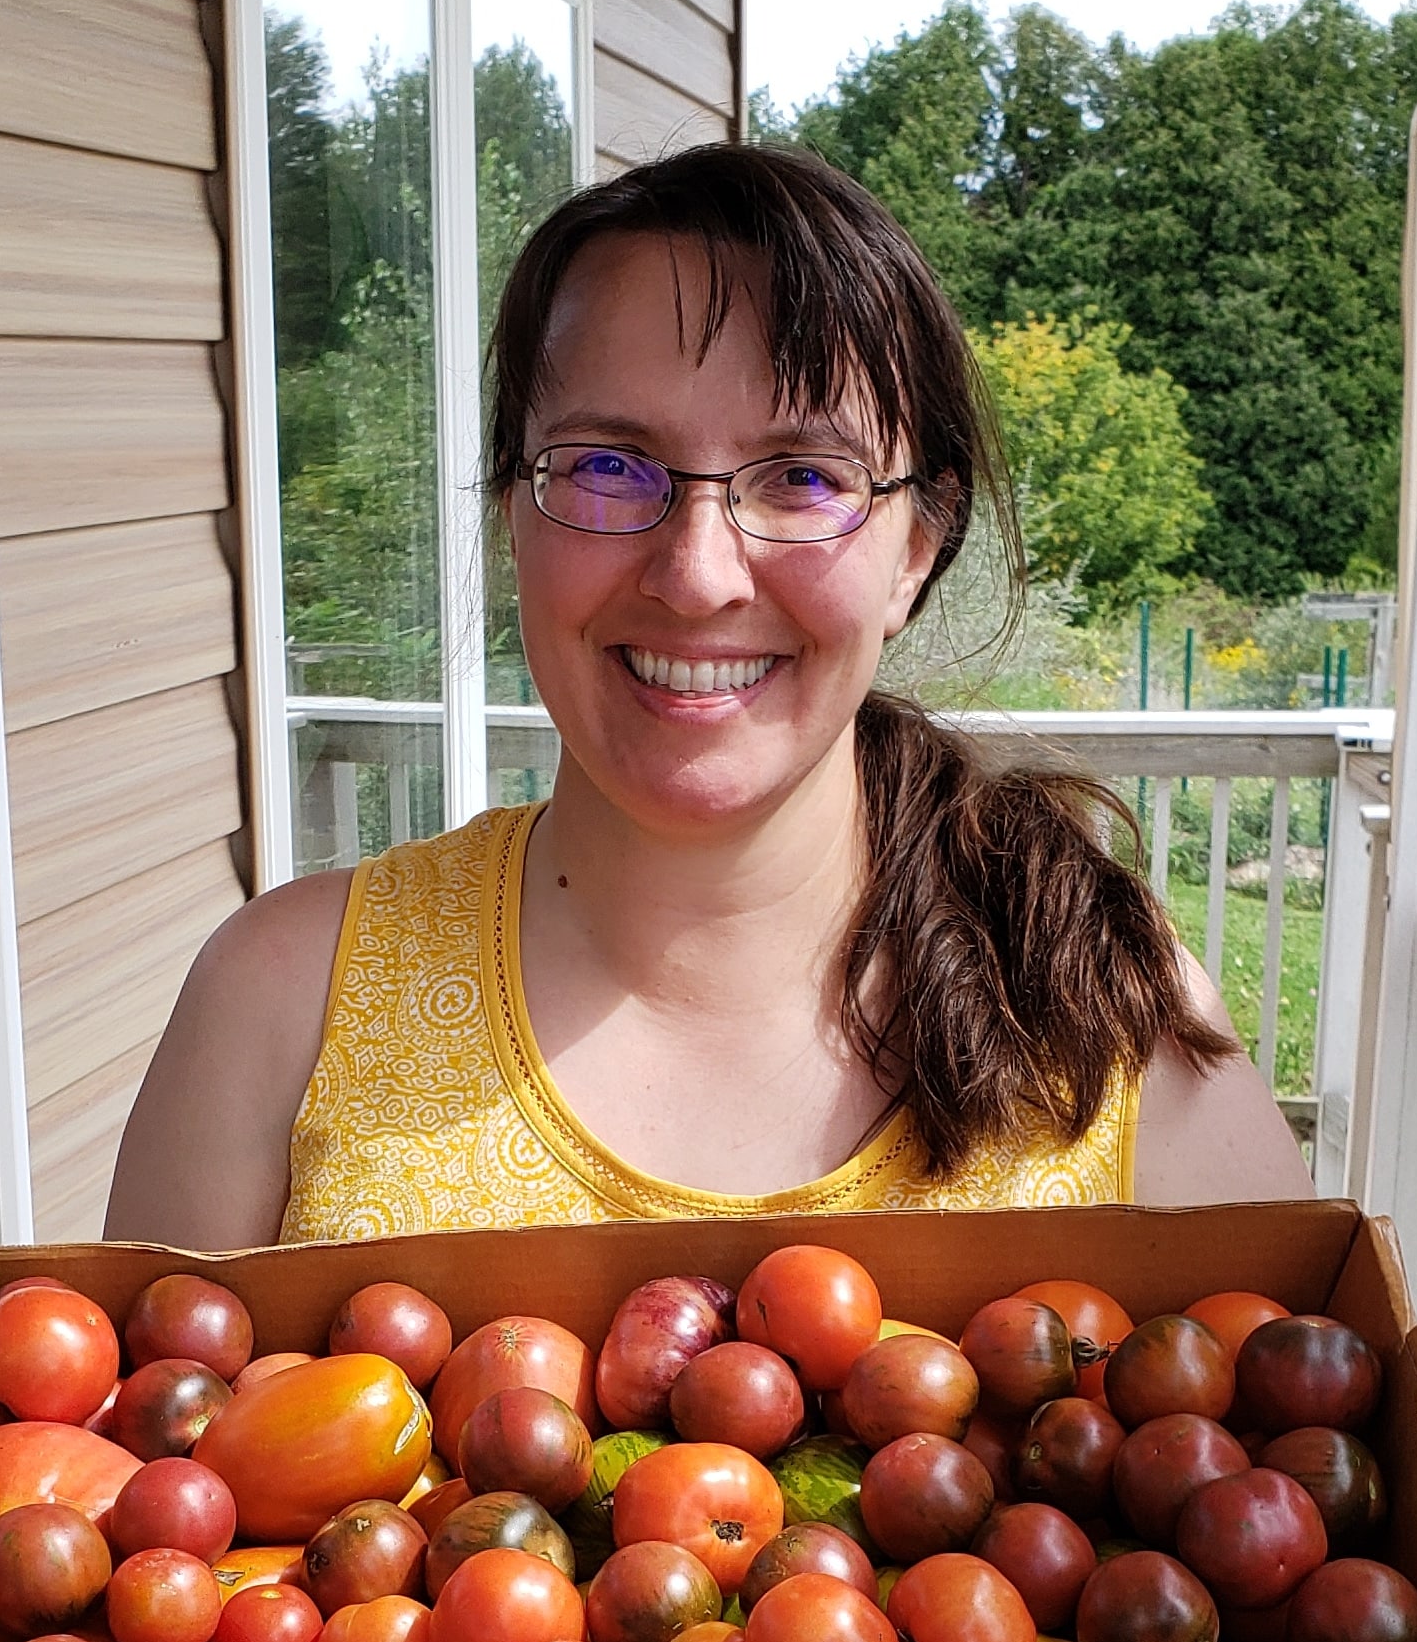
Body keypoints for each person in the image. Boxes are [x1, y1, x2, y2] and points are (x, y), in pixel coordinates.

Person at [105, 141, 1307, 1251]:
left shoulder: (1108, 1023)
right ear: (508, 513)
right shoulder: (281, 1005)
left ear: (918, 546)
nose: (695, 574)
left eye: (800, 476)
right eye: (606, 466)